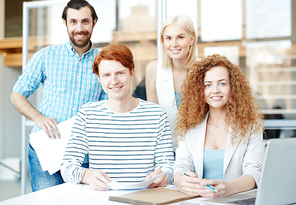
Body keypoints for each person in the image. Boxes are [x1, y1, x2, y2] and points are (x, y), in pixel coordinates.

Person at [10, 0, 107, 192]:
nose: (79, 28)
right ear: (65, 23)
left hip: (85, 154)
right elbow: (16, 95)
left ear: (94, 22)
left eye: (85, 21)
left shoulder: (104, 61)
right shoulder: (46, 56)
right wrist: (39, 118)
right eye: (73, 22)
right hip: (47, 150)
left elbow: (108, 105)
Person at [61, 44, 174, 191]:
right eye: (106, 75)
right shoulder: (87, 114)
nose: (114, 81)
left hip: (143, 197)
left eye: (120, 73)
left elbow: (168, 167)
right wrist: (87, 176)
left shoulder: (157, 115)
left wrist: (164, 175)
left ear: (132, 72)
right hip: (101, 198)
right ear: (99, 79)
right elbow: (67, 167)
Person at [173, 54, 265, 198]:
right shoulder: (189, 126)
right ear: (200, 90)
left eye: (222, 83)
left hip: (237, 200)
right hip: (199, 201)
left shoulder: (250, 126)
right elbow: (181, 165)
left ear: (233, 87)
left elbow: (255, 172)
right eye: (208, 85)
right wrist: (180, 181)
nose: (215, 90)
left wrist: (229, 188)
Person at [145, 15, 197, 150]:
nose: (174, 44)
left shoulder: (205, 69)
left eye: (180, 37)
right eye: (168, 38)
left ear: (192, 39)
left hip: (199, 150)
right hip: (166, 152)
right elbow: (152, 120)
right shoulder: (153, 69)